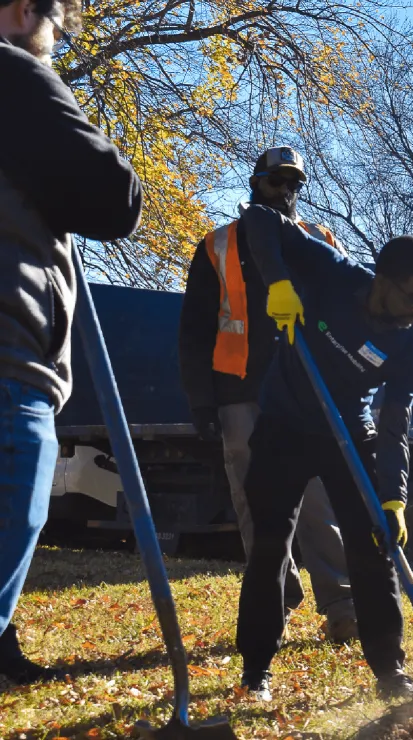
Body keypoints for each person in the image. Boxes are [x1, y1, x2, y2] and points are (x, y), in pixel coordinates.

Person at [234, 204, 413, 701]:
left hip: (349, 433)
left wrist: (392, 498)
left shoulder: (412, 347)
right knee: (270, 547)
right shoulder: (332, 271)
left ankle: (391, 671)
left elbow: (396, 425)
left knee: (374, 548)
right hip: (285, 425)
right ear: (383, 280)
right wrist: (279, 281)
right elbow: (259, 219)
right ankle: (256, 669)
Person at [0, 0, 142, 684]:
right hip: (7, 353)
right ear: (28, 11)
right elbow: (116, 200)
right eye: (59, 26)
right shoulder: (15, 74)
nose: (57, 41)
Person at [179, 146, 358, 643]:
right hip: (239, 390)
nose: (287, 192)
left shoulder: (318, 240)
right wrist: (201, 400)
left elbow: (343, 314)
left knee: (318, 496)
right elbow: (193, 331)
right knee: (254, 497)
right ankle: (275, 591)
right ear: (256, 182)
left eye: (294, 184)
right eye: (277, 182)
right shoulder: (217, 245)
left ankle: (342, 604)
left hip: (306, 392)